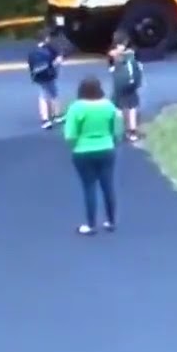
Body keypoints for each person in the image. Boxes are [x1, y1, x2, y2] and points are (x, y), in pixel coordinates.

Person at [63, 76, 122, 235]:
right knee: (108, 185)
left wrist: (75, 146)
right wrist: (113, 141)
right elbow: (116, 129)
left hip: (83, 151)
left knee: (89, 187)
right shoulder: (108, 106)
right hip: (106, 148)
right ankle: (111, 221)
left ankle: (90, 225)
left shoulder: (76, 108)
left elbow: (70, 135)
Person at [108, 30, 145, 142]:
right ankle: (132, 131)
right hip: (131, 86)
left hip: (119, 87)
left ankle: (121, 131)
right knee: (132, 107)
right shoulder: (131, 53)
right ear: (126, 41)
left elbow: (111, 69)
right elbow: (139, 67)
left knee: (120, 107)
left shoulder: (112, 55)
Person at [26, 31, 64, 129]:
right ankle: (55, 116)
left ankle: (46, 118)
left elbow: (30, 65)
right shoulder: (48, 50)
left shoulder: (32, 51)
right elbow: (54, 63)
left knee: (43, 95)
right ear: (46, 38)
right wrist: (57, 63)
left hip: (38, 76)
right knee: (53, 94)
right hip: (49, 75)